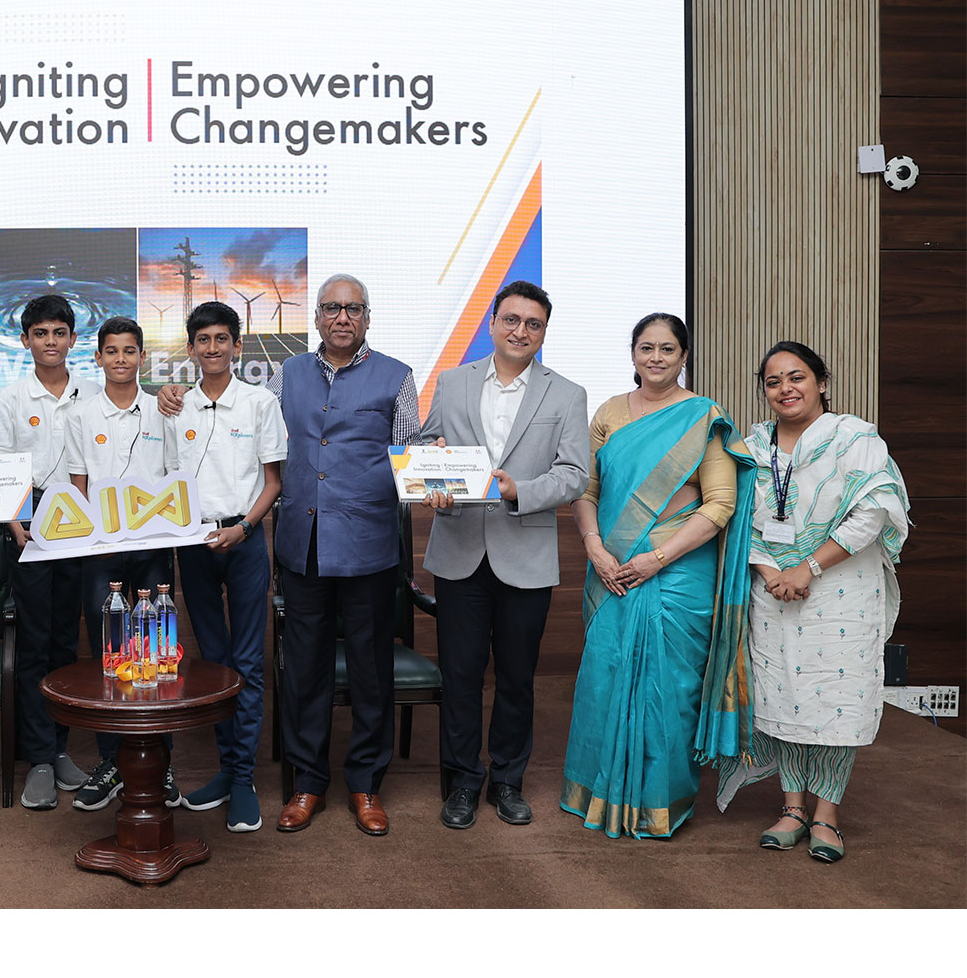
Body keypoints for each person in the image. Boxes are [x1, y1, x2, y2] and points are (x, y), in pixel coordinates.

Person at [558, 313, 754, 839]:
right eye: (647, 348)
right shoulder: (608, 414)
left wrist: (657, 558)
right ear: (633, 354)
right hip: (612, 569)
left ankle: (659, 804)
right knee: (604, 680)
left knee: (669, 690)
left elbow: (720, 505)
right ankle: (598, 794)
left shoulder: (703, 416)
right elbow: (587, 490)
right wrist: (595, 547)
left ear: (684, 356)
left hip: (676, 574)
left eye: (668, 349)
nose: (657, 358)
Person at [716, 341, 909, 863]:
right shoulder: (752, 448)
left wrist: (809, 566)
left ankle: (827, 814)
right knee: (783, 694)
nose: (786, 389)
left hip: (840, 589)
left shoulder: (855, 438)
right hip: (774, 589)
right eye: (774, 381)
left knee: (835, 699)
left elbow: (873, 512)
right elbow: (736, 519)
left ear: (821, 382)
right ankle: (792, 807)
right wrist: (772, 571)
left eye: (797, 377)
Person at [420, 280, 589, 830]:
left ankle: (509, 781)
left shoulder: (566, 394)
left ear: (543, 332)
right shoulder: (452, 381)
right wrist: (434, 472)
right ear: (492, 322)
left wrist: (521, 490)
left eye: (533, 324)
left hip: (526, 553)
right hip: (460, 549)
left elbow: (574, 474)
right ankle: (464, 782)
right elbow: (425, 447)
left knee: (517, 678)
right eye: (511, 320)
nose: (521, 331)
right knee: (462, 676)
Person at [264, 274, 420, 835]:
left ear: (368, 318)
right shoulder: (287, 375)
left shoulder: (397, 378)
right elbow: (260, 438)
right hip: (301, 546)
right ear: (317, 317)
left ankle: (365, 784)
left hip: (370, 547)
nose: (342, 318)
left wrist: (437, 465)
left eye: (353, 308)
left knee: (371, 670)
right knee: (304, 672)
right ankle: (307, 784)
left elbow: (410, 454)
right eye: (332, 308)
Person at [162, 301, 287, 833]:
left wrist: (243, 529)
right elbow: (164, 481)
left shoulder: (260, 402)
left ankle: (243, 779)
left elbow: (274, 483)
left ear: (238, 346)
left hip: (244, 539)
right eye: (203, 340)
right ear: (190, 349)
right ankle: (224, 769)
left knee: (247, 663)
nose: (212, 348)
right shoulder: (174, 407)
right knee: (212, 663)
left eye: (222, 339)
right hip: (192, 543)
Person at [0, 294, 97, 810]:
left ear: (73, 340)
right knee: (32, 644)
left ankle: (61, 749)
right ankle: (40, 760)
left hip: (82, 522)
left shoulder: (92, 393)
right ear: (26, 340)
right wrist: (14, 524)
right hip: (27, 522)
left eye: (59, 333)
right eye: (40, 334)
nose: (50, 342)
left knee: (63, 644)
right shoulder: (10, 399)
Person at [64, 315, 175, 811]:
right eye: (112, 351)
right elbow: (79, 485)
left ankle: (161, 766)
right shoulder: (81, 415)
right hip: (101, 552)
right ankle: (111, 762)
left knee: (156, 657)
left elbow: (176, 480)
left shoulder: (163, 411)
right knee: (110, 656)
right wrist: (93, 539)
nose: (121, 360)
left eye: (130, 351)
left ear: (142, 357)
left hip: (153, 549)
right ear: (98, 358)